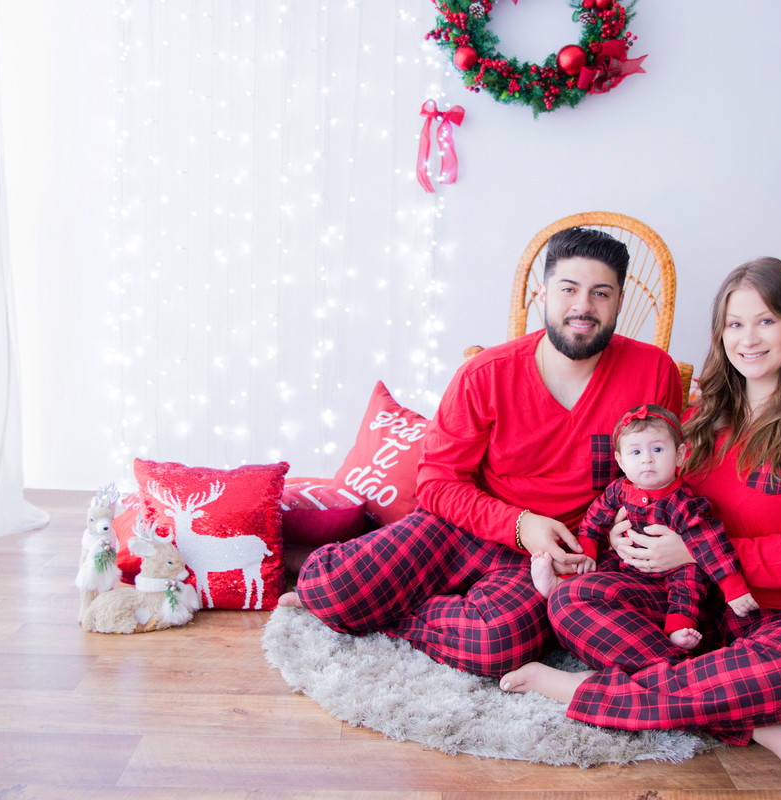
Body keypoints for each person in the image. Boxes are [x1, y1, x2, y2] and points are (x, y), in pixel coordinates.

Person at [500, 257, 781, 781]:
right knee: (572, 599)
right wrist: (621, 534)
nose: (749, 338)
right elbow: (658, 498)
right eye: (734, 324)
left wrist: (694, 551)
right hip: (696, 609)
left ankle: (576, 688)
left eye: (766, 320)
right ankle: (750, 723)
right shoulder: (705, 417)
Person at [279, 227, 684, 677]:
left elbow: (661, 476)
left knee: (496, 646)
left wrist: (622, 532)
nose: (583, 306)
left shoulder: (654, 372)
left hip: (553, 557)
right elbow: (435, 484)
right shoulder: (485, 373)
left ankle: (394, 614)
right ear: (543, 293)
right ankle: (353, 597)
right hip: (465, 527)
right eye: (569, 289)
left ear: (619, 302)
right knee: (331, 586)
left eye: (600, 293)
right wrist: (519, 524)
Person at [530, 403, 757, 651]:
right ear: (621, 460)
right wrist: (587, 550)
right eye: (635, 453)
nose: (647, 459)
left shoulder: (683, 503)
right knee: (601, 564)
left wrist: (734, 589)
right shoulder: (620, 489)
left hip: (673, 570)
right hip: (628, 565)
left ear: (680, 455)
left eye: (657, 449)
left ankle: (679, 626)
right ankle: (560, 584)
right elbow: (596, 516)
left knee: (690, 582)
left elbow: (711, 543)